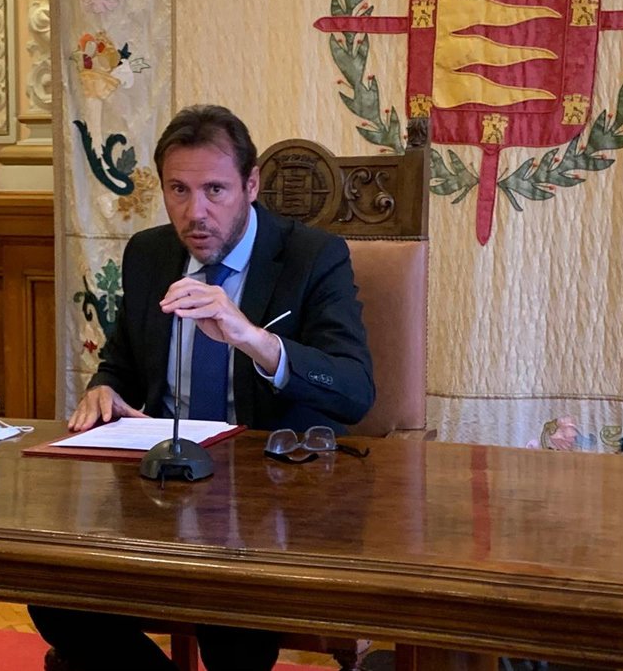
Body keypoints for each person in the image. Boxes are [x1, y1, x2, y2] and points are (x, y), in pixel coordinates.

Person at [30, 104, 374, 671]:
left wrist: (251, 337)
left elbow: (355, 390)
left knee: (230, 626)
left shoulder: (313, 257)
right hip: (162, 489)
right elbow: (122, 362)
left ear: (251, 185)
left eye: (215, 190)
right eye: (179, 191)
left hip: (265, 501)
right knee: (55, 593)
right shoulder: (150, 254)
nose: (196, 213)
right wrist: (105, 388)